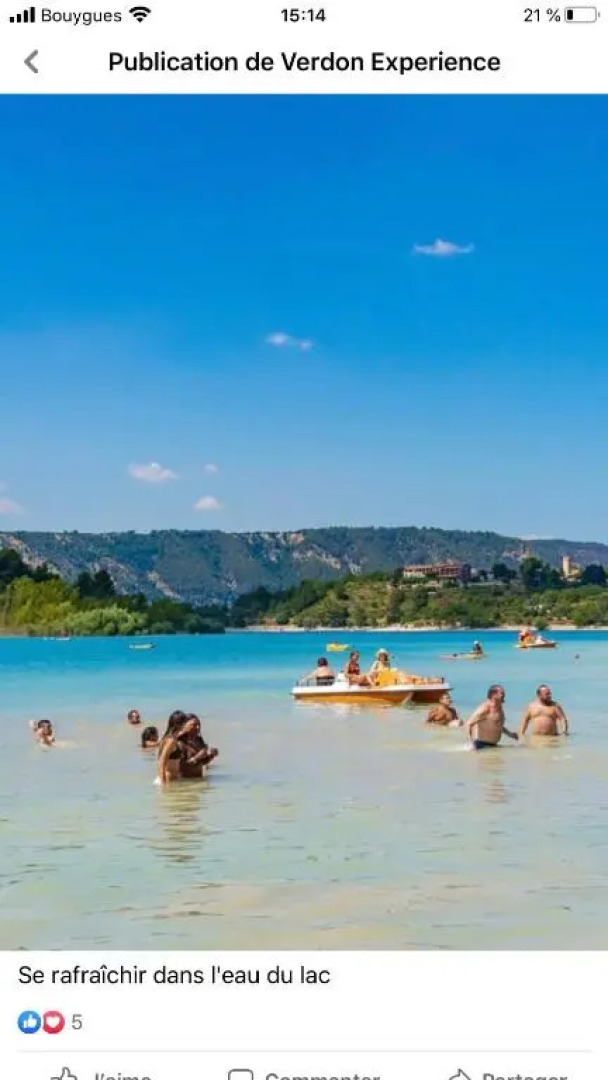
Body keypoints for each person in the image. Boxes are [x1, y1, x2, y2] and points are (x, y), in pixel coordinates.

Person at [465, 685, 519, 750]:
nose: (504, 695)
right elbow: (468, 724)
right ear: (494, 695)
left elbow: (497, 725)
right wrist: (470, 742)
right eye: (502, 693)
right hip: (480, 746)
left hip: (493, 746)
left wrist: (510, 734)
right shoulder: (485, 708)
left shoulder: (499, 709)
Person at [179, 714, 219, 779]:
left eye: (198, 724)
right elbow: (181, 767)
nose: (197, 727)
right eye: (194, 725)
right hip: (186, 782)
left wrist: (211, 755)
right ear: (185, 725)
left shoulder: (198, 740)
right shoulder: (180, 742)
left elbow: (202, 762)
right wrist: (196, 758)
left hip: (198, 780)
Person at [157, 710, 189, 783]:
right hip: (167, 780)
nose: (187, 724)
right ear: (180, 724)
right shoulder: (170, 740)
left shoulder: (171, 737)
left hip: (172, 780)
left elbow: (181, 732)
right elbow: (161, 762)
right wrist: (163, 784)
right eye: (186, 722)